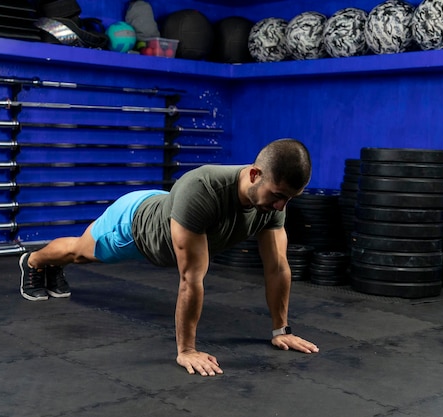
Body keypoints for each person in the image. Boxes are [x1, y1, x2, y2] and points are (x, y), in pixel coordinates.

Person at [18, 138, 319, 376]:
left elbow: (278, 267)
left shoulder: (272, 204)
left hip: (168, 209)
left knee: (79, 255)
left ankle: (51, 267)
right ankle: (34, 262)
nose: (281, 207)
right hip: (133, 226)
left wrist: (281, 330)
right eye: (278, 196)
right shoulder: (204, 189)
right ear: (255, 174)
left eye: (289, 199)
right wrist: (186, 350)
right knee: (79, 253)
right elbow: (191, 278)